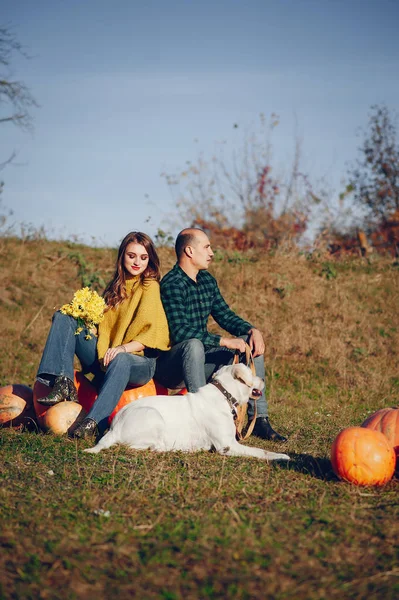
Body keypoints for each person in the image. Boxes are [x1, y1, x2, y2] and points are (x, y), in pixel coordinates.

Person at [155, 228, 287, 442]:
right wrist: (223, 341)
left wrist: (251, 330)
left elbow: (224, 315)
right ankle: (202, 422)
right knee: (193, 344)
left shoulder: (207, 281)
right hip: (170, 367)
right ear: (189, 250)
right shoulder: (172, 284)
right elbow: (180, 332)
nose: (212, 252)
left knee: (248, 343)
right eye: (206, 247)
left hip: (201, 361)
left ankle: (260, 419)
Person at [36, 231, 170, 439]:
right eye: (131, 255)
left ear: (149, 260)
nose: (137, 262)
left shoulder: (149, 286)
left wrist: (122, 349)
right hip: (105, 358)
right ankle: (62, 381)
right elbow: (105, 328)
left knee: (123, 360)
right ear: (122, 256)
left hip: (138, 363)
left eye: (143, 257)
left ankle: (94, 422)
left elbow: (153, 334)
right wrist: (86, 322)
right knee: (64, 315)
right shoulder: (114, 288)